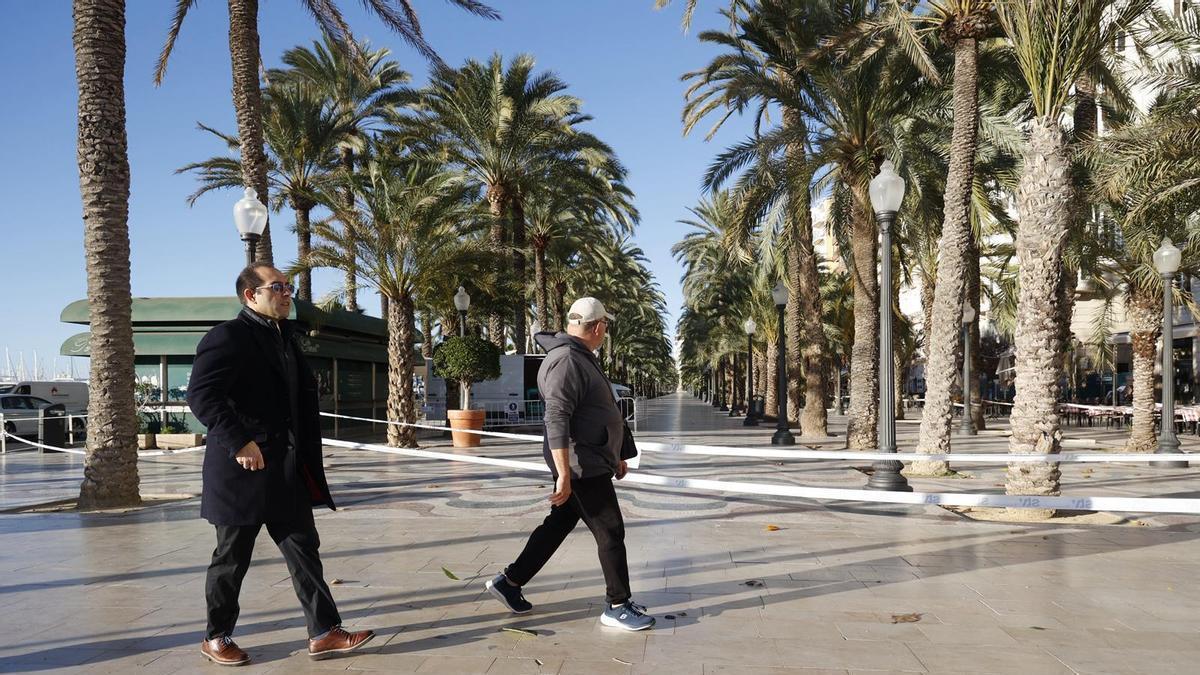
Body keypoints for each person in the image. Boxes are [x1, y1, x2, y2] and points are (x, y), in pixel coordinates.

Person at [187, 263, 374, 666]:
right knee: (232, 559)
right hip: (242, 472)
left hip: (285, 471)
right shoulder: (228, 337)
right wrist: (239, 441)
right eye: (277, 287)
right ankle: (216, 636)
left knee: (304, 550)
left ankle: (324, 632)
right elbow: (202, 396)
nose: (287, 293)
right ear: (250, 295)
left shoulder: (286, 339)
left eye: (288, 286)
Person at [483, 297, 654, 631]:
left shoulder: (579, 357)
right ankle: (617, 605)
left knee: (558, 524)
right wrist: (564, 473)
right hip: (580, 463)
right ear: (598, 326)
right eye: (605, 325)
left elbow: (601, 410)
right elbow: (556, 418)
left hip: (591, 458)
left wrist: (618, 453)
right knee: (610, 530)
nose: (605, 331)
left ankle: (510, 582)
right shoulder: (566, 361)